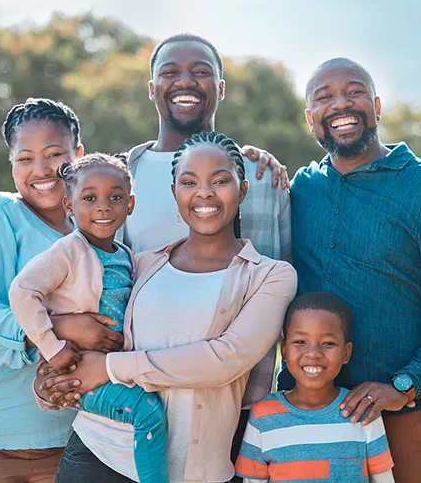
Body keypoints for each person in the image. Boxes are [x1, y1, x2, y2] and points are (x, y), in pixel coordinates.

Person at [37, 132, 298, 483]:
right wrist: (51, 377)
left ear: (243, 190)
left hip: (194, 469)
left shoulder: (271, 276)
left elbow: (226, 359)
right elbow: (93, 327)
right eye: (189, 182)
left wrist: (110, 367)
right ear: (175, 193)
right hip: (98, 452)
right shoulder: (141, 264)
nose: (204, 192)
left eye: (220, 181)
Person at [279, 57, 421, 483]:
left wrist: (405, 385)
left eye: (354, 92)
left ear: (377, 105)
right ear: (310, 118)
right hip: (309, 416)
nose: (341, 104)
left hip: (405, 415)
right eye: (324, 97)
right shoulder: (299, 188)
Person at [0, 98, 125, 483]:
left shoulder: (96, 231)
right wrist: (65, 327)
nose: (41, 170)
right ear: (11, 163)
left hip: (74, 436)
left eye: (54, 154)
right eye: (25, 159)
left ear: (78, 155)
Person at [9, 153, 169, 483]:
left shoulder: (124, 255)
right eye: (89, 198)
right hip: (72, 369)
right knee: (148, 412)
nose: (103, 206)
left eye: (115, 197)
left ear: (131, 203)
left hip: (109, 369)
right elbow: (22, 292)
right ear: (68, 205)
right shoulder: (68, 250)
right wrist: (52, 348)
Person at [237, 292, 395, 483]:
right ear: (284, 351)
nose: (313, 353)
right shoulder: (263, 415)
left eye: (328, 343)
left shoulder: (361, 410)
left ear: (346, 353)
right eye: (300, 342)